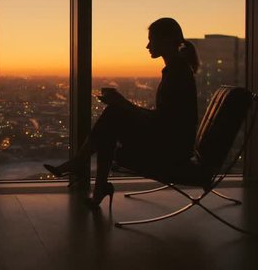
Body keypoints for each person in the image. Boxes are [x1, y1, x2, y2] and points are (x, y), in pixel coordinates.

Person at [44, 17, 199, 209]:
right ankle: (93, 180)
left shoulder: (177, 74)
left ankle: (85, 170)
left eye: (152, 40)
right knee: (113, 118)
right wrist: (122, 105)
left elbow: (162, 121)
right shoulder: (178, 71)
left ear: (166, 41)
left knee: (114, 116)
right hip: (174, 143)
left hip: (171, 150)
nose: (147, 46)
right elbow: (166, 120)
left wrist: (124, 104)